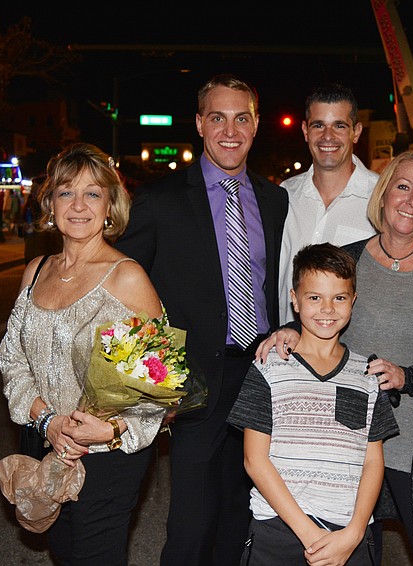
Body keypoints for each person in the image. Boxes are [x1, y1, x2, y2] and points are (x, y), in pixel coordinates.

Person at [257, 151, 413, 565]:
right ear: (383, 194)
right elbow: (318, 307)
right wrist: (291, 330)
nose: (412, 202)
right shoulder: (350, 260)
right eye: (403, 187)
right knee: (356, 553)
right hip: (346, 442)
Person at [115, 74, 288, 566]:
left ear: (255, 125)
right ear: (199, 124)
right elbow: (121, 294)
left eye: (241, 118)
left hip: (259, 375)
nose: (229, 130)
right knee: (192, 516)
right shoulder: (160, 200)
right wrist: (154, 380)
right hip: (192, 383)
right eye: (217, 118)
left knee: (241, 506)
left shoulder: (274, 201)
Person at [0, 143, 166, 565]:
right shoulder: (35, 270)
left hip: (107, 458)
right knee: (64, 551)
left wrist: (109, 431)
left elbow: (161, 383)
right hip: (44, 439)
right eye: (66, 191)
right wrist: (47, 420)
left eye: (92, 193)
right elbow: (13, 360)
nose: (78, 205)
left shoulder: (126, 278)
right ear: (49, 202)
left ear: (110, 206)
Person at [229, 243, 399, 565]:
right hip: (278, 529)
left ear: (353, 301)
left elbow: (373, 462)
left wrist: (354, 532)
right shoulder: (268, 367)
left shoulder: (366, 374)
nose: (327, 309)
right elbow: (254, 460)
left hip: (348, 533)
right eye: (314, 297)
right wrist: (310, 535)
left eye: (339, 298)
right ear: (294, 299)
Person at [279, 83, 379, 323]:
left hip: (353, 353)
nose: (327, 136)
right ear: (305, 130)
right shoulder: (285, 194)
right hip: (285, 349)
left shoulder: (381, 198)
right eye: (318, 125)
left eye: (339, 126)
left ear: (356, 131)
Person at [22, 174, 63, 264]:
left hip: (44, 254)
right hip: (31, 252)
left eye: (36, 188)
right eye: (33, 188)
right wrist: (25, 228)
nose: (33, 191)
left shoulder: (49, 207)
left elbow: (54, 235)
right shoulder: (29, 204)